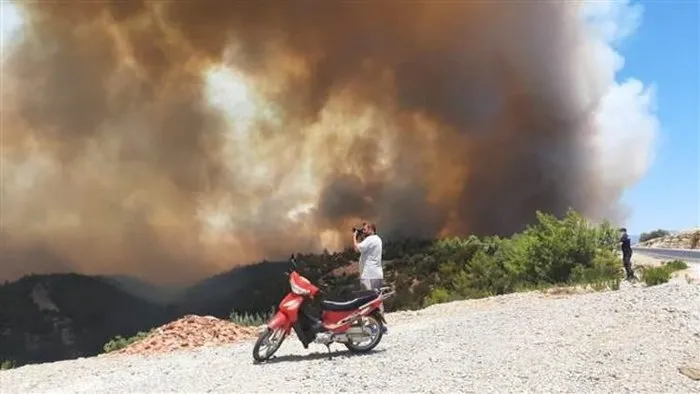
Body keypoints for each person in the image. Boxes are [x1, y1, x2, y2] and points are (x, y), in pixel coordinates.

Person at [353, 222, 384, 291]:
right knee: (376, 297)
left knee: (367, 297)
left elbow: (357, 249)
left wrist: (354, 236)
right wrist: (361, 238)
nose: (363, 232)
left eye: (364, 229)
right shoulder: (378, 239)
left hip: (368, 275)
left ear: (371, 229)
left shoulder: (370, 239)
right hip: (377, 274)